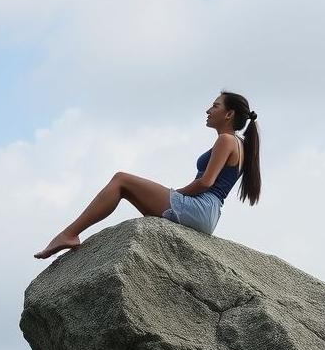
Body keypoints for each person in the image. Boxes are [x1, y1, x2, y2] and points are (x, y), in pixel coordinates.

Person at [34, 90, 261, 259]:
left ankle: (69, 234)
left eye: (215, 106)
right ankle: (70, 234)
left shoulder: (226, 140)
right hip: (209, 213)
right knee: (132, 194)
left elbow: (205, 182)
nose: (208, 110)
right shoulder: (239, 144)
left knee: (121, 180)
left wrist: (176, 193)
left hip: (201, 208)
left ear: (229, 114)